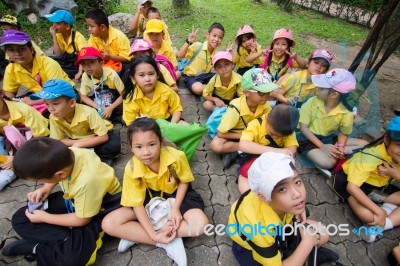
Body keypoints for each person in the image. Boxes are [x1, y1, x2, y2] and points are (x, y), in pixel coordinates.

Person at [101, 117, 208, 265]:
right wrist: (153, 235)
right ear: (131, 148)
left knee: (200, 225)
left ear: (161, 141)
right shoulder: (131, 168)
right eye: (138, 147)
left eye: (151, 144)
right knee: (109, 223)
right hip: (147, 198)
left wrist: (176, 208)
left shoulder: (176, 156)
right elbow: (137, 204)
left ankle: (136, 234)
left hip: (177, 195)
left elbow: (185, 181)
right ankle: (165, 241)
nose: (146, 152)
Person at [1, 137, 121, 265]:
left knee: (72, 260)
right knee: (20, 218)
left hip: (98, 211)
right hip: (75, 200)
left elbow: (82, 220)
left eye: (40, 180)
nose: (40, 183)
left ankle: (38, 247)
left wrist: (45, 218)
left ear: (60, 174)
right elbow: (60, 177)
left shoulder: (87, 181)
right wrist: (45, 188)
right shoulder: (69, 153)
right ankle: (65, 240)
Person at [228, 152, 329, 265]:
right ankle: (303, 255)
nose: (297, 194)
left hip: (279, 226)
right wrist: (307, 243)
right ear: (264, 197)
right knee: (312, 239)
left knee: (323, 233)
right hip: (249, 246)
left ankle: (299, 255)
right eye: (282, 189)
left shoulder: (277, 200)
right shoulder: (257, 228)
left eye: (297, 182)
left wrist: (299, 210)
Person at [30, 79, 121, 160]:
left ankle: (84, 154)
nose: (51, 109)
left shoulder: (89, 112)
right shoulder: (53, 116)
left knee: (113, 146)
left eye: (55, 103)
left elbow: (103, 137)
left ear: (72, 102)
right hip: (78, 139)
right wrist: (78, 142)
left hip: (97, 135)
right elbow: (57, 141)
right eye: (47, 104)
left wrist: (78, 145)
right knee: (54, 151)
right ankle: (86, 154)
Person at [343, 116, 400, 242]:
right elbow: (351, 187)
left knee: (376, 216)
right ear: (386, 139)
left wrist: (397, 175)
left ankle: (383, 225)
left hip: (378, 187)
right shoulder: (371, 157)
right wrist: (379, 212)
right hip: (356, 187)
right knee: (369, 216)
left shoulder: (395, 154)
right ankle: (385, 211)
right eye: (399, 145)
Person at [297, 68, 368, 170]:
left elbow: (343, 133)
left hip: (328, 138)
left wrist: (340, 146)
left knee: (365, 144)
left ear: (334, 94)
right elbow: (304, 128)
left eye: (321, 88)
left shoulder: (346, 112)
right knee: (327, 163)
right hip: (307, 139)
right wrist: (322, 146)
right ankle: (340, 156)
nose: (316, 89)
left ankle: (339, 153)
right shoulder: (312, 102)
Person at [210, 68, 277, 168]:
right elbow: (221, 133)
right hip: (235, 134)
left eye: (268, 92)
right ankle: (247, 149)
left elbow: (268, 124)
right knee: (216, 145)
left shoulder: (265, 105)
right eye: (261, 93)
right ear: (246, 93)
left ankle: (241, 151)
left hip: (253, 134)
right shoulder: (236, 108)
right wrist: (245, 136)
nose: (266, 96)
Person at [0, 30, 73, 107]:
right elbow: (9, 92)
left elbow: (57, 92)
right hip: (40, 95)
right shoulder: (10, 69)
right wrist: (9, 104)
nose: (17, 54)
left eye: (21, 49)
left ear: (31, 50)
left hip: (64, 94)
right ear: (7, 53)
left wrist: (33, 102)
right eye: (11, 50)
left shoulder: (48, 63)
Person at [237, 104, 300, 193]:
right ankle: (251, 198)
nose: (274, 137)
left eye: (279, 136)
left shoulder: (287, 131)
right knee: (244, 175)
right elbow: (243, 145)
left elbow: (292, 150)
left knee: (289, 174)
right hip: (253, 157)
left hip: (274, 162)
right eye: (272, 133)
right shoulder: (255, 124)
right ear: (266, 117)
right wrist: (278, 151)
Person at [0, 88, 49, 191]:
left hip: (35, 147)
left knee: (4, 176)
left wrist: (16, 158)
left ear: (1, 94)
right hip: (10, 148)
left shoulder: (23, 110)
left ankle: (16, 167)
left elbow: (42, 140)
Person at [121, 55, 183, 126]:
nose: (147, 79)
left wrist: (172, 125)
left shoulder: (166, 90)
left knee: (185, 127)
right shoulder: (130, 97)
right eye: (141, 75)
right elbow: (131, 123)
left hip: (167, 122)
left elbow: (177, 109)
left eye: (151, 74)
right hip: (144, 127)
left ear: (157, 75)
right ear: (133, 78)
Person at [75, 47, 124, 123]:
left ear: (101, 63)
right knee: (80, 105)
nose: (88, 66)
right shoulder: (85, 76)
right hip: (98, 102)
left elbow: (123, 94)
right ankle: (109, 117)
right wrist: (99, 107)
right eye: (84, 64)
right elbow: (83, 96)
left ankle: (114, 117)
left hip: (113, 102)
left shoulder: (112, 75)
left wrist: (110, 108)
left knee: (126, 105)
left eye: (91, 62)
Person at [176, 23, 225, 95]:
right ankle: (214, 89)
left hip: (205, 76)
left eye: (220, 37)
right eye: (214, 36)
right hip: (192, 77)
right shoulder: (198, 46)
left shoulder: (216, 54)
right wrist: (188, 41)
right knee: (198, 89)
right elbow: (180, 55)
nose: (217, 39)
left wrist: (227, 56)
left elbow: (220, 70)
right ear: (208, 35)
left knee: (224, 78)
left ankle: (214, 88)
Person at [45, 9, 87, 80]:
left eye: (57, 24)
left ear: (67, 27)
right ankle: (67, 73)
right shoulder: (59, 35)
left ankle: (77, 73)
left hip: (80, 62)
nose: (54, 26)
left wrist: (80, 72)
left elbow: (84, 56)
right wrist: (54, 37)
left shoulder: (78, 37)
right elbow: (59, 54)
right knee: (51, 61)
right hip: (68, 62)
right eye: (53, 23)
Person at [85, 8, 131, 73]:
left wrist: (110, 57)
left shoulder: (119, 36)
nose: (89, 29)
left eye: (92, 26)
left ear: (102, 27)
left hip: (119, 65)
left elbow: (127, 58)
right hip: (103, 64)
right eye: (88, 26)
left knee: (128, 69)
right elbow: (91, 53)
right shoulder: (93, 37)